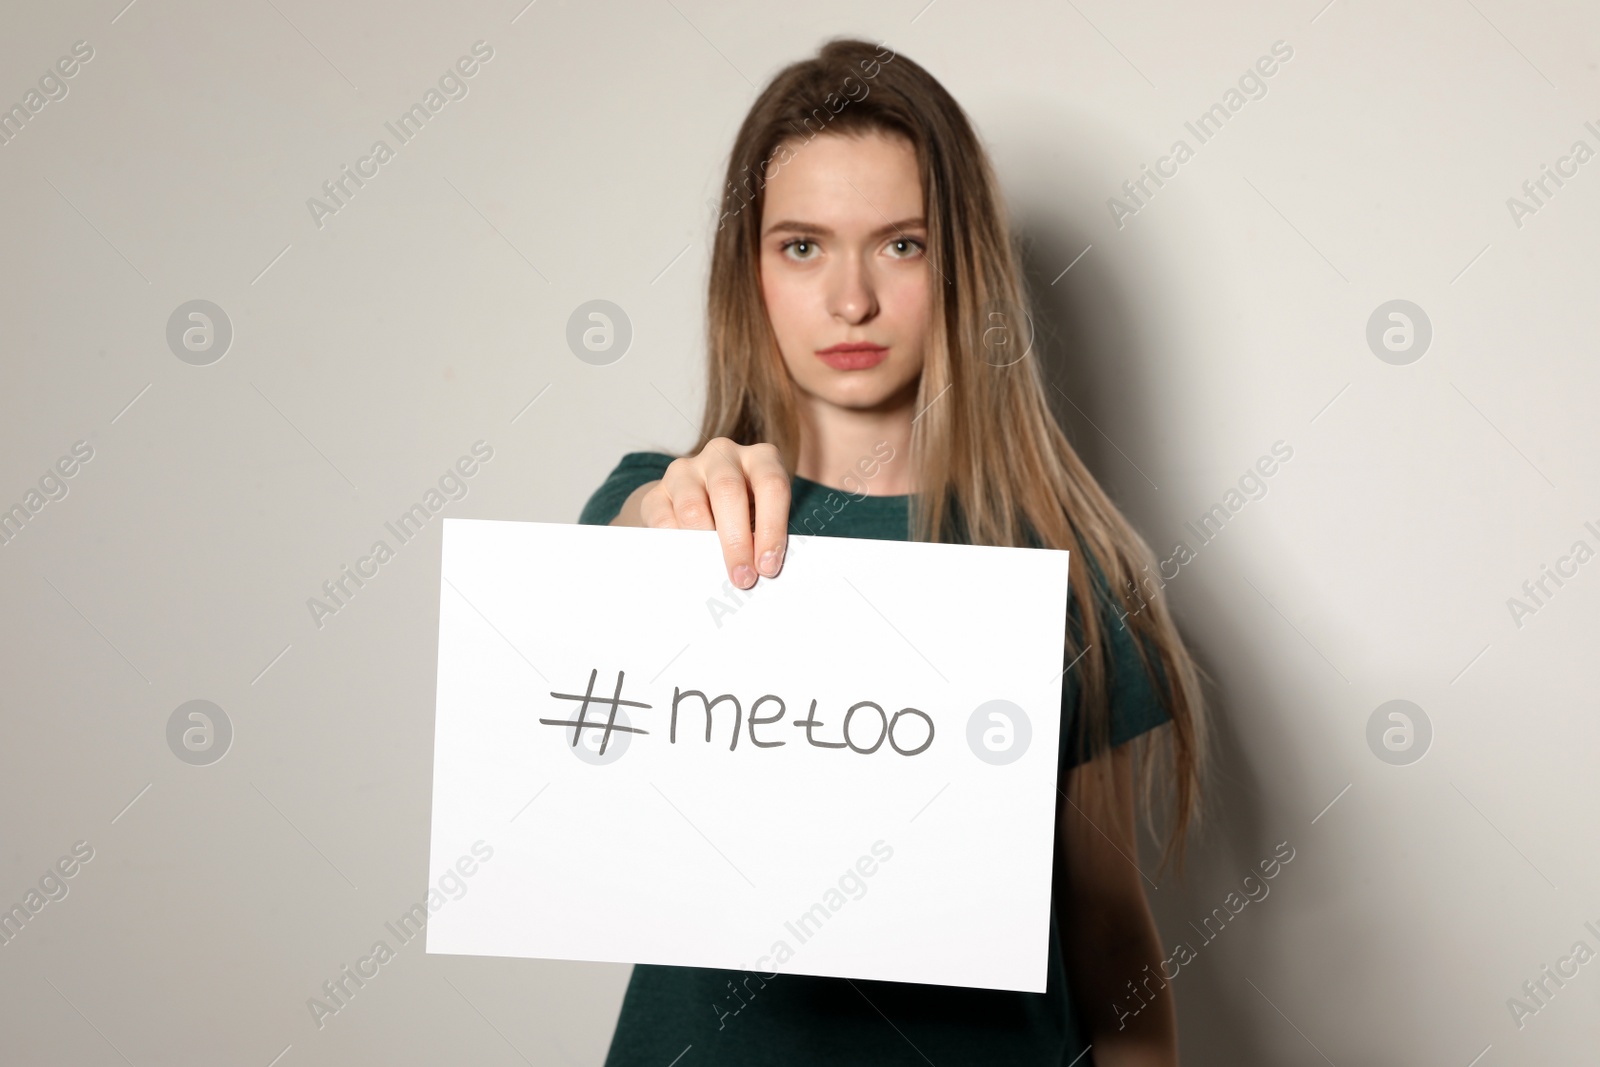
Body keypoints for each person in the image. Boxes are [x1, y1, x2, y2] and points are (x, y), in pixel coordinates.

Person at [578, 37, 1209, 1067]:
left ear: (961, 265)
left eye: (901, 245)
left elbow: (1109, 940)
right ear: (751, 272)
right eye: (801, 246)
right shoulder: (662, 514)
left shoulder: (1067, 575)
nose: (852, 300)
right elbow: (579, 641)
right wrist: (660, 510)